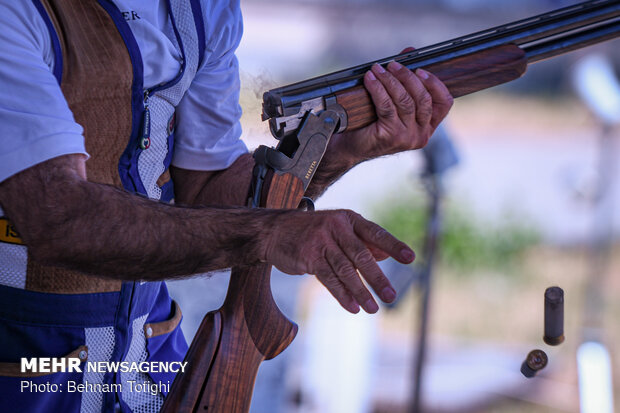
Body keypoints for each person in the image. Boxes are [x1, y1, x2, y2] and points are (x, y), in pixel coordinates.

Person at [0, 0, 453, 412]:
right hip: (24, 369)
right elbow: (58, 218)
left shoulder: (203, 10)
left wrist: (342, 151)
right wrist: (270, 234)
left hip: (152, 363)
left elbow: (209, 188)